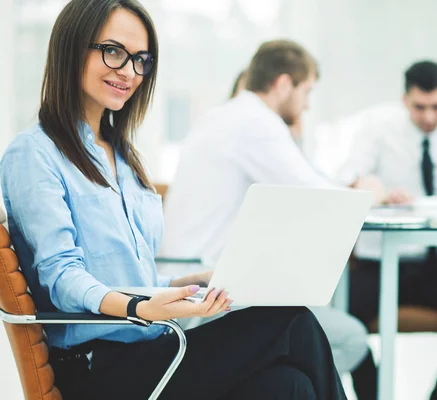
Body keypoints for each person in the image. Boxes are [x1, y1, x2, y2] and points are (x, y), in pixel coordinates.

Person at [0, 1, 347, 399]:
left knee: (290, 386)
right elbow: (62, 279)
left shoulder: (123, 157)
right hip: (98, 367)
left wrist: (185, 285)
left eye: (141, 60)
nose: (129, 72)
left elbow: (130, 278)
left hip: (151, 350)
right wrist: (139, 309)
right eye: (113, 52)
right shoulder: (34, 154)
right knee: (292, 322)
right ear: (71, 48)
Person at [159, 40, 376, 399]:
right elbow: (320, 198)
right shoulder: (255, 123)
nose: (307, 104)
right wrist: (372, 193)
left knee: (297, 374)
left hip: (197, 285)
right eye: (307, 91)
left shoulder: (225, 116)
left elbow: (302, 185)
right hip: (209, 297)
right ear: (283, 84)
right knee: (349, 337)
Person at [337, 60, 437, 400]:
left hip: (432, 270)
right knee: (334, 325)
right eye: (419, 107)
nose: (428, 116)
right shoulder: (377, 133)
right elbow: (346, 181)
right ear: (404, 99)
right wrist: (374, 189)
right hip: (375, 268)